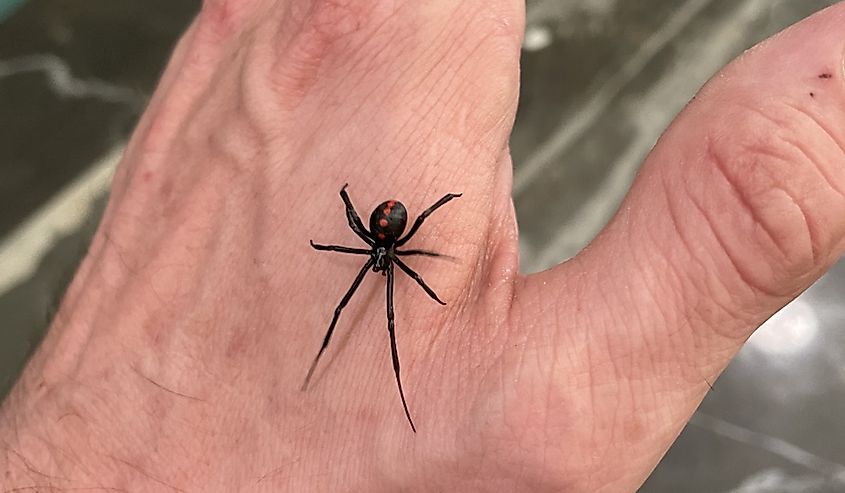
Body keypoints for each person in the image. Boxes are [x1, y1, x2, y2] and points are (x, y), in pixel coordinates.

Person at [2, 1, 844, 490]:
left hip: (391, 216)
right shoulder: (380, 250)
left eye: (382, 250)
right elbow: (357, 235)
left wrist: (392, 217)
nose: (377, 261)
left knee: (373, 306)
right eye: (378, 249)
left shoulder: (382, 247)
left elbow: (368, 232)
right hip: (388, 218)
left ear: (384, 240)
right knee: (356, 303)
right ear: (380, 240)